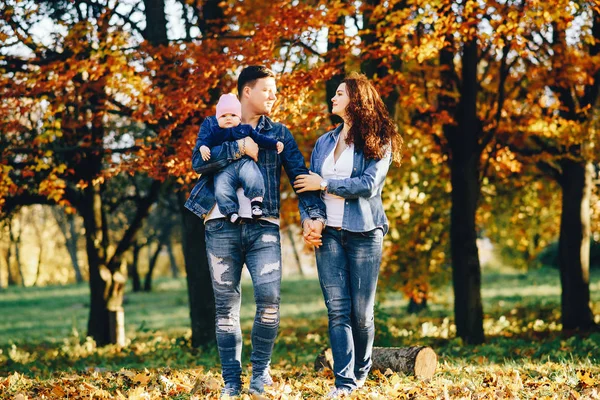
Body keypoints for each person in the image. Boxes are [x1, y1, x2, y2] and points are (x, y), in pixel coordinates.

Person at [185, 66, 327, 398]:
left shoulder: (279, 133)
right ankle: (232, 383)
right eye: (267, 89)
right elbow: (198, 163)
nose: (273, 96)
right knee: (226, 307)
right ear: (246, 91)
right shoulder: (215, 124)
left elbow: (301, 178)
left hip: (264, 228)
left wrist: (313, 215)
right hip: (220, 226)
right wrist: (238, 149)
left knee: (269, 301)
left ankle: (260, 375)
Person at [294, 72, 403, 398]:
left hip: (364, 233)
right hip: (328, 235)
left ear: (356, 100)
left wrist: (325, 184)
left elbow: (368, 186)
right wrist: (309, 221)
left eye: (339, 93)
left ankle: (360, 375)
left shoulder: (378, 140)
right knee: (337, 310)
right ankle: (344, 384)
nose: (333, 98)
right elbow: (307, 191)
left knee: (361, 313)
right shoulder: (325, 142)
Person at [199, 93, 284, 223]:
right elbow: (205, 142)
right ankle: (231, 212)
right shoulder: (215, 132)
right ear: (217, 119)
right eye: (223, 116)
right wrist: (203, 147)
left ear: (239, 118)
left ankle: (256, 203)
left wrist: (275, 144)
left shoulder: (246, 129)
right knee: (221, 186)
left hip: (245, 162)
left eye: (233, 115)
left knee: (253, 176)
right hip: (224, 168)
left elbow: (260, 139)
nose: (228, 118)